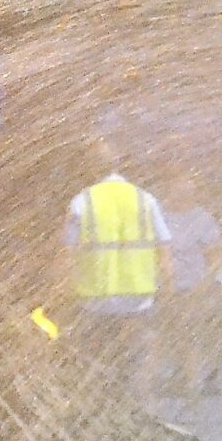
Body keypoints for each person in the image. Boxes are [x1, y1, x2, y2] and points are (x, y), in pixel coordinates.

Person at [66, 142, 172, 367]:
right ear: (118, 164)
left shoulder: (81, 202)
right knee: (142, 354)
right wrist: (170, 290)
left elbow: (67, 254)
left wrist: (58, 295)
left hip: (96, 300)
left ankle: (104, 399)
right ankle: (144, 399)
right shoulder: (145, 199)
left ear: (89, 168)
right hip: (139, 297)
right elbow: (164, 251)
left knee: (97, 362)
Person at [160, 174, 222, 393]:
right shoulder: (161, 216)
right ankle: (184, 377)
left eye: (187, 193)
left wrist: (206, 283)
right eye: (178, 192)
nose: (183, 197)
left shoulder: (203, 219)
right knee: (176, 333)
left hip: (195, 285)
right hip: (168, 285)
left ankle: (199, 380)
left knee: (193, 333)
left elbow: (216, 255)